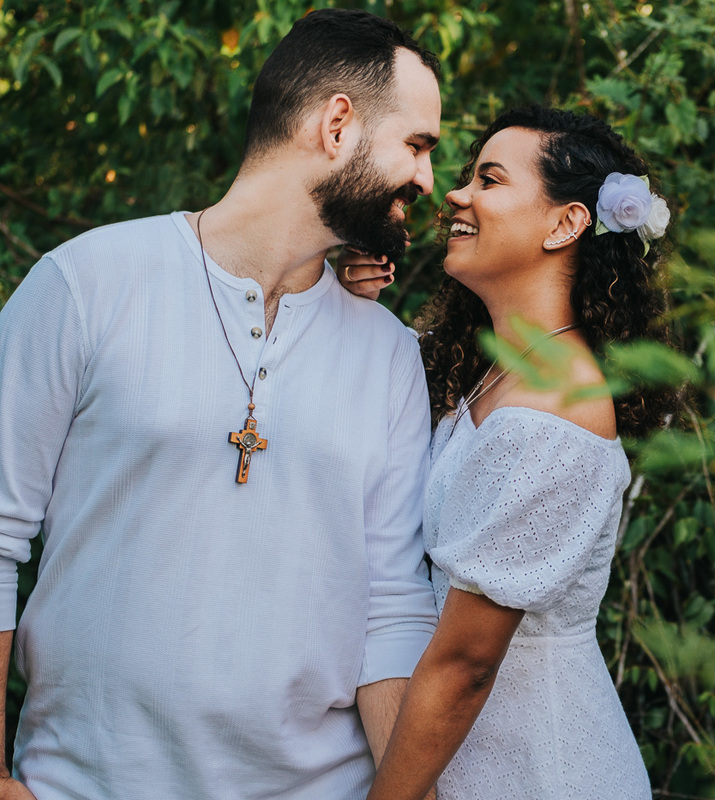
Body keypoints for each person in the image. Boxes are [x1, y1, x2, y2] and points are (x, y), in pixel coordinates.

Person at [0, 10, 443, 800]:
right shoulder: (85, 285)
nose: (427, 180)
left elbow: (391, 604)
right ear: (337, 124)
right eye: (417, 145)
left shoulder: (389, 356)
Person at [338, 106, 677, 799]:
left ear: (565, 224)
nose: (457, 195)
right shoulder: (491, 371)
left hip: (542, 771)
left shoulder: (554, 416)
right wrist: (351, 306)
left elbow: (466, 662)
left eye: (489, 180)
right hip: (467, 762)